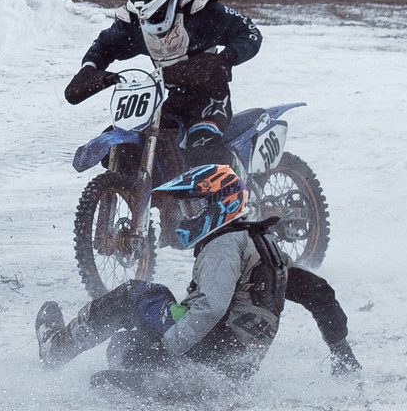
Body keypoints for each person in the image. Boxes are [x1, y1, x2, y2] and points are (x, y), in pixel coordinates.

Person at [34, 162, 360, 392]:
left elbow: (210, 307)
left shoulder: (224, 242)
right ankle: (147, 374)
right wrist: (342, 353)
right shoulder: (263, 241)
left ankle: (56, 348)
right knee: (126, 344)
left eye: (194, 207)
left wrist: (166, 351)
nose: (187, 215)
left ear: (218, 204)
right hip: (236, 365)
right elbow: (318, 291)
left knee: (137, 293)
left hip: (208, 355)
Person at [64, 0, 262, 159]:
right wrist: (90, 68)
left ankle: (235, 186)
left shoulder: (198, 9)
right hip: (171, 99)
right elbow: (105, 45)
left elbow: (249, 32)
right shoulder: (134, 21)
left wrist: (225, 59)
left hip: (210, 99)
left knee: (202, 150)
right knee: (134, 150)